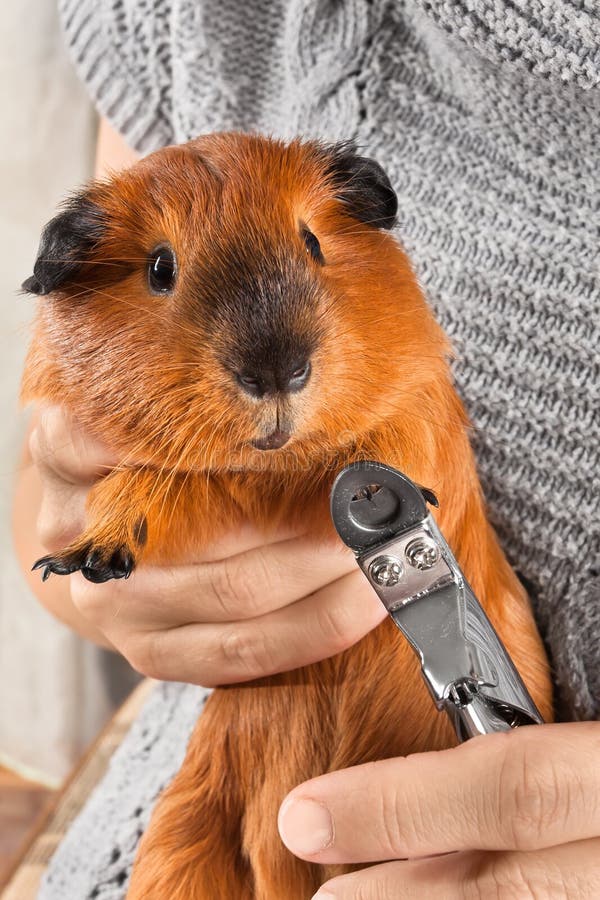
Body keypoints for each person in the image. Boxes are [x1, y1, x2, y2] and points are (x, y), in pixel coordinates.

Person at [14, 1, 600, 896]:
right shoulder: (182, 17)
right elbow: (51, 506)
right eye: (162, 272)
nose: (273, 357)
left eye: (311, 245)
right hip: (202, 790)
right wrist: (80, 530)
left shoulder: (404, 399)